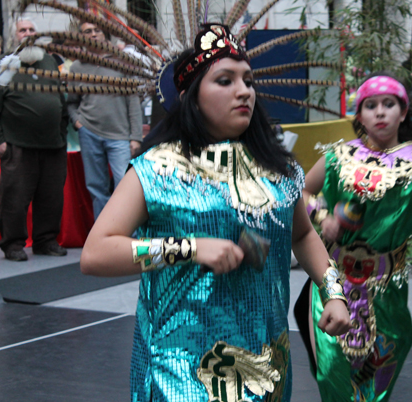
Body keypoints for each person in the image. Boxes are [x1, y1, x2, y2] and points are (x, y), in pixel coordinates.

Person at [80, 24, 351, 402]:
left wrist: (333, 290)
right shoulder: (158, 169)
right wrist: (190, 248)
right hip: (181, 368)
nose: (244, 91)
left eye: (248, 81)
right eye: (225, 80)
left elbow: (303, 235)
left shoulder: (280, 170)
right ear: (192, 96)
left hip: (266, 363)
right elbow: (95, 253)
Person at [296, 72, 412, 402]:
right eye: (371, 105)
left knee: (381, 370)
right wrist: (322, 217)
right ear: (359, 115)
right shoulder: (338, 158)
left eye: (389, 104)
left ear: (402, 112)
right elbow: (303, 191)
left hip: (387, 289)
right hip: (334, 284)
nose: (380, 112)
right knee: (333, 370)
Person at [0, 19, 68, 261]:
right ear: (14, 36)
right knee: (14, 199)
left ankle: (46, 241)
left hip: (53, 145)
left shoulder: (50, 61)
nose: (28, 34)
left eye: (31, 30)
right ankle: (13, 244)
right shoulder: (6, 65)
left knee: (51, 198)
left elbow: (61, 99)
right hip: (18, 145)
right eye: (22, 30)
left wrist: (63, 133)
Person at [67, 21, 143, 219]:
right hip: (89, 132)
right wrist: (77, 121)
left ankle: (127, 236)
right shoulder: (76, 67)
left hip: (120, 135)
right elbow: (71, 102)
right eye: (87, 32)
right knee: (96, 188)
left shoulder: (122, 61)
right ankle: (103, 238)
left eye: (97, 30)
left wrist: (135, 137)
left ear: (105, 34)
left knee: (125, 185)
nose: (93, 34)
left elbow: (133, 100)